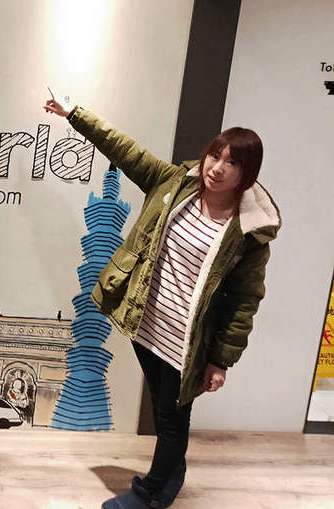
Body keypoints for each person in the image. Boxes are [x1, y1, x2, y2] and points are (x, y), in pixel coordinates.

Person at [43, 98, 281, 509]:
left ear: (247, 174)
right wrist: (75, 115)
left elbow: (245, 301)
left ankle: (151, 493)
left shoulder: (249, 234)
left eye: (232, 163)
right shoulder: (174, 184)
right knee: (163, 408)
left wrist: (220, 361)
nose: (217, 168)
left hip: (186, 343)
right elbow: (124, 148)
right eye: (215, 155)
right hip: (146, 324)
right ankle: (172, 472)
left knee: (171, 419)